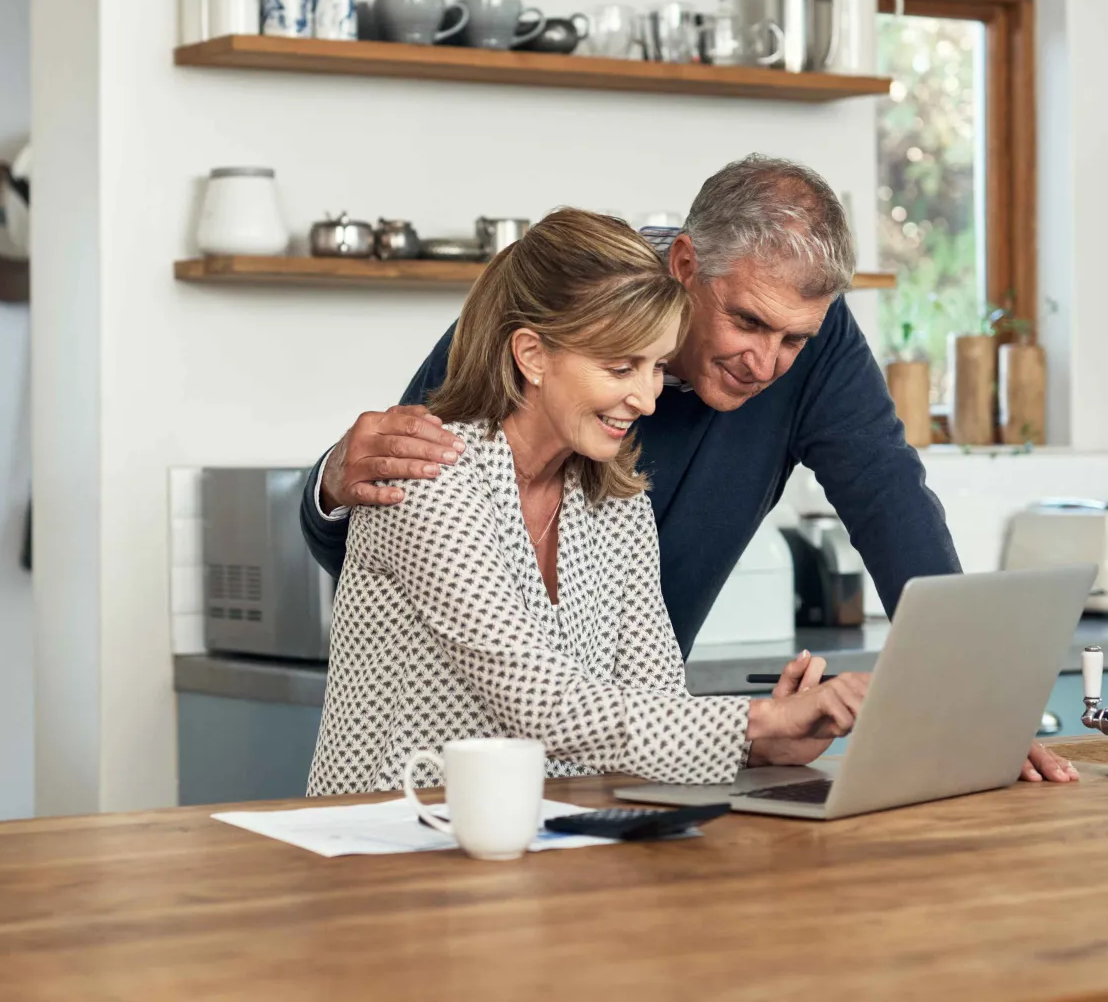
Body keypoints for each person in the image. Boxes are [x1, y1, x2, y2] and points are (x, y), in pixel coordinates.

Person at [302, 155, 1077, 785]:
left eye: (793, 339)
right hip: (399, 812)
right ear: (684, 266)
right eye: (746, 321)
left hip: (570, 803)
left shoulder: (618, 492)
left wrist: (974, 710)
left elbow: (888, 497)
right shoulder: (546, 319)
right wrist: (336, 482)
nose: (767, 363)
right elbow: (396, 494)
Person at [307, 210, 868, 795]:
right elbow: (542, 704)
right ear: (532, 355)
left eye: (655, 367)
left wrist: (761, 747)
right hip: (387, 841)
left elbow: (652, 709)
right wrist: (760, 719)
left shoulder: (615, 501)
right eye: (620, 366)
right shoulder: (432, 480)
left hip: (544, 844)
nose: (647, 400)